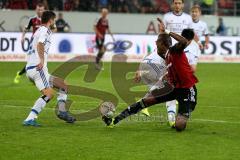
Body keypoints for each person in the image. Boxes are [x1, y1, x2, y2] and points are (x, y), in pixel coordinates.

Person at [102, 18, 198, 132]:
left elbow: (183, 42)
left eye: (157, 41)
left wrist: (167, 31)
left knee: (179, 126)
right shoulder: (164, 54)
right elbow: (151, 56)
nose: (155, 43)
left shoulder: (175, 51)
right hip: (173, 88)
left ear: (162, 44)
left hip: (187, 90)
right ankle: (113, 121)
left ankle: (183, 113)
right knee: (146, 101)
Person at [134, 28, 200, 127]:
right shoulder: (170, 48)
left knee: (165, 94)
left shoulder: (185, 48)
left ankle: (175, 118)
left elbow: (191, 67)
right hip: (166, 74)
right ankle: (172, 119)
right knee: (162, 93)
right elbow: (149, 55)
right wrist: (140, 70)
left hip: (173, 77)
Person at [23, 11, 76, 126]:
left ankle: (62, 111)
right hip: (38, 68)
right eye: (54, 20)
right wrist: (41, 60)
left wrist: (52, 23)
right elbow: (40, 44)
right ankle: (30, 119)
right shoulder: (45, 31)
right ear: (51, 20)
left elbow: (53, 30)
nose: (55, 22)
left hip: (36, 68)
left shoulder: (39, 30)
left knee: (63, 85)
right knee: (49, 94)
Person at [14, 2, 45, 84]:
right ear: (36, 10)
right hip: (33, 44)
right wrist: (22, 37)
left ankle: (37, 78)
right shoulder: (32, 19)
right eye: (38, 10)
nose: (40, 11)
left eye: (41, 10)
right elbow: (26, 28)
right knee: (30, 62)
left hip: (42, 44)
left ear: (44, 10)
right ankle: (20, 74)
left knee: (40, 61)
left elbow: (53, 29)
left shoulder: (46, 20)